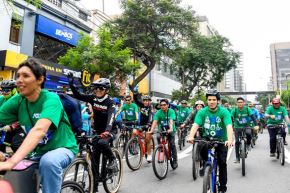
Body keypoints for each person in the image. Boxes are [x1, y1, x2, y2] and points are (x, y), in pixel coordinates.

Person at [0, 58, 78, 193]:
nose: (19, 80)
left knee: (49, 162)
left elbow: (39, 130)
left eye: (25, 76)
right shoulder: (19, 100)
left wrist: (12, 162)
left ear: (40, 80)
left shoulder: (51, 99)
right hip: (35, 153)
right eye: (18, 76)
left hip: (62, 149)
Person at [68, 75, 118, 171]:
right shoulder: (93, 98)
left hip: (110, 130)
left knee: (103, 143)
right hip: (97, 131)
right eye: (96, 88)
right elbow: (78, 95)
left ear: (106, 90)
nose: (98, 90)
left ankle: (112, 159)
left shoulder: (110, 102)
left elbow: (111, 117)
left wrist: (107, 130)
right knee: (94, 159)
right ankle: (94, 183)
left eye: (101, 88)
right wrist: (72, 84)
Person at [188, 89, 233, 193]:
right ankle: (206, 165)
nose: (211, 102)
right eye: (209, 99)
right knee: (200, 145)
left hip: (222, 140)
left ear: (218, 101)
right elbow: (196, 125)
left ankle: (222, 187)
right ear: (207, 101)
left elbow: (229, 126)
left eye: (214, 99)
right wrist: (191, 136)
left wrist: (229, 140)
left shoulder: (224, 112)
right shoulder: (202, 112)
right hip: (207, 138)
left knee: (222, 163)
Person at [148, 99, 178, 169]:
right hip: (162, 129)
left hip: (170, 130)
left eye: (164, 105)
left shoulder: (171, 111)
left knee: (172, 144)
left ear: (168, 105)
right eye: (161, 105)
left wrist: (170, 129)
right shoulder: (158, 112)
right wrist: (151, 130)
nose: (162, 106)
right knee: (158, 136)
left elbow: (171, 120)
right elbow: (155, 121)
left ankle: (175, 161)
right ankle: (161, 147)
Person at [231, 97, 259, 163]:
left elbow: (253, 117)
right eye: (238, 102)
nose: (240, 104)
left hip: (246, 126)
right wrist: (231, 126)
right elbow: (231, 118)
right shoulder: (234, 110)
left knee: (249, 134)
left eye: (241, 102)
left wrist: (256, 125)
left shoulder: (247, 109)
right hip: (237, 127)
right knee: (237, 142)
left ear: (244, 103)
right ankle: (237, 158)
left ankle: (248, 144)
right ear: (236, 103)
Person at [133, 92, 153, 161]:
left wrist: (149, 123)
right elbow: (136, 100)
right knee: (134, 132)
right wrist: (135, 94)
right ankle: (135, 145)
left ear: (150, 101)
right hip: (141, 124)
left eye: (147, 101)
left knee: (147, 139)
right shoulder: (142, 105)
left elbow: (150, 116)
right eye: (144, 100)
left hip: (148, 124)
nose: (145, 102)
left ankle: (149, 155)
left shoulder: (150, 107)